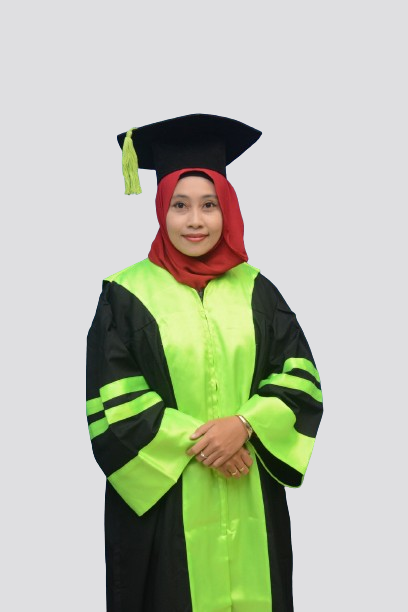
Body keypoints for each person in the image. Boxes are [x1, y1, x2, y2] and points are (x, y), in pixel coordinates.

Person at [86, 113, 323, 612]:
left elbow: (300, 378)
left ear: (227, 209)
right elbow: (114, 402)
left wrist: (244, 425)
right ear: (161, 209)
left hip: (250, 492)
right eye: (180, 205)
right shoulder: (124, 295)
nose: (195, 220)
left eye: (209, 205)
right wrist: (209, 444)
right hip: (164, 508)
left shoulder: (258, 290)